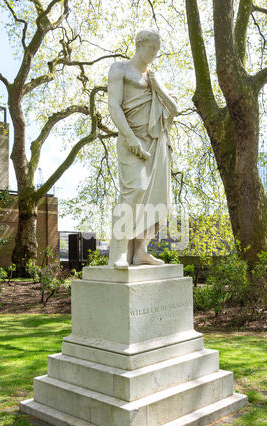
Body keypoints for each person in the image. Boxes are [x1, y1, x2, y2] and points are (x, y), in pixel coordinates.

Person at [107, 28, 178, 269]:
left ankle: (140, 251)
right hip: (131, 139)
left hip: (156, 142)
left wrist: (157, 86)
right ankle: (118, 251)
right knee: (134, 191)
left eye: (158, 51)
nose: (155, 54)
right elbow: (114, 107)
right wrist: (129, 138)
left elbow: (172, 109)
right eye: (152, 49)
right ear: (140, 44)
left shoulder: (153, 77)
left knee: (156, 199)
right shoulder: (120, 70)